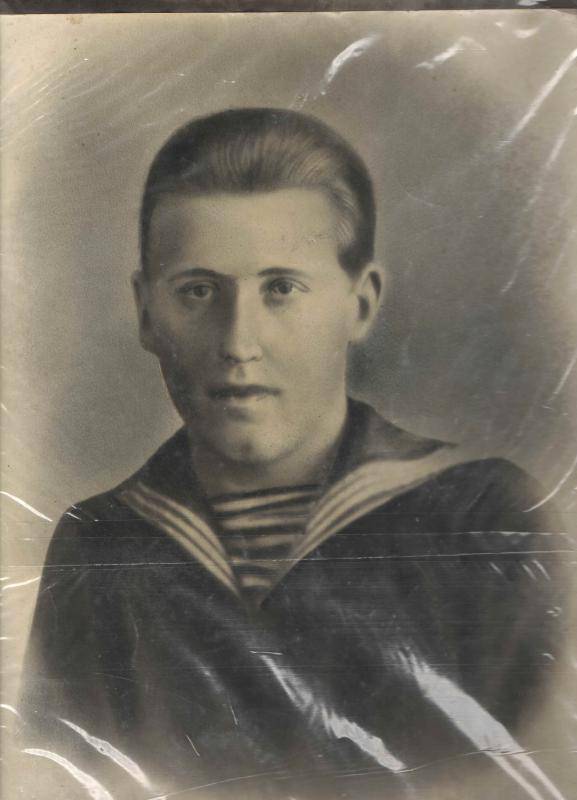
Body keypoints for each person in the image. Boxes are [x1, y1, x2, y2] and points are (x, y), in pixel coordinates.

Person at [18, 108, 568, 800]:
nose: (238, 342)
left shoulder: (482, 520)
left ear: (360, 304)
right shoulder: (101, 544)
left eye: (281, 288)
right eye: (197, 291)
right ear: (146, 312)